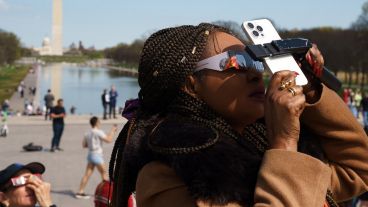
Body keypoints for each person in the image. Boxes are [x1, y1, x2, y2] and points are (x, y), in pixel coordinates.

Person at [109, 23, 368, 207]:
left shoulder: (259, 152)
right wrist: (285, 144)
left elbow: (357, 170)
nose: (256, 73)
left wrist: (310, 91)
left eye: (256, 61)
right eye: (235, 62)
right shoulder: (167, 178)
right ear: (191, 85)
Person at [75, 116, 117, 199]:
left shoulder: (87, 133)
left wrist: (92, 143)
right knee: (104, 174)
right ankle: (106, 194)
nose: (100, 122)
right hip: (97, 155)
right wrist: (112, 131)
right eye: (99, 121)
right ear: (97, 122)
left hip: (90, 155)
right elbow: (108, 140)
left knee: (87, 175)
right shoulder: (98, 132)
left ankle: (80, 192)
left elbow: (84, 145)